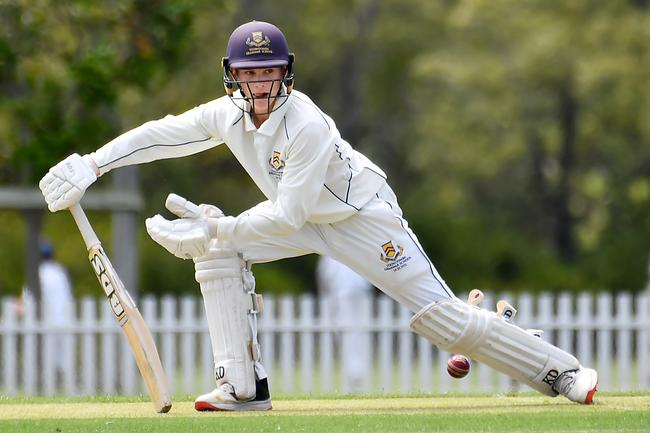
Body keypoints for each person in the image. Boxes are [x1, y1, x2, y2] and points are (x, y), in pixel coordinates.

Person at [39, 20, 598, 411]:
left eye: (269, 73)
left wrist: (213, 226)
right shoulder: (226, 114)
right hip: (303, 216)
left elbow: (287, 217)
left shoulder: (307, 124)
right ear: (232, 75)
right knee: (218, 254)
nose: (259, 85)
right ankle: (241, 386)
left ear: (286, 73)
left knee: (443, 323)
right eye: (249, 74)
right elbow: (165, 134)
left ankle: (562, 372)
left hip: (363, 219)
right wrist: (93, 164)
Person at [18, 243, 76, 392]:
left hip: (44, 324)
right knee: (64, 360)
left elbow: (26, 301)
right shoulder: (60, 273)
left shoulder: (37, 274)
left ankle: (44, 389)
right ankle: (67, 388)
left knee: (43, 360)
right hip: (64, 322)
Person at [316, 255, 373, 393]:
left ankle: (355, 371)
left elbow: (324, 279)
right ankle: (354, 371)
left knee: (353, 336)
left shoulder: (330, 254)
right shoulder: (336, 254)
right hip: (347, 297)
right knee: (352, 336)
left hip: (348, 297)